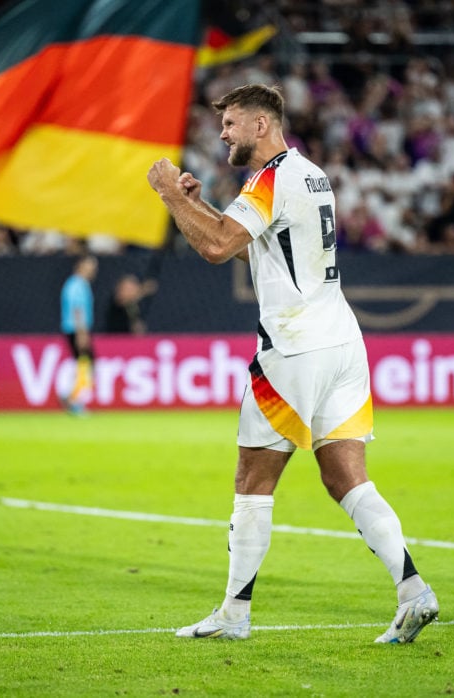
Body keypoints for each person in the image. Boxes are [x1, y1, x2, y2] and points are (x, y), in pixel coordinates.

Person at [147, 84, 438, 644]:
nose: (223, 133)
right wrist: (198, 204)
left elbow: (215, 248)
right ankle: (413, 591)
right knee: (346, 476)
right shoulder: (309, 173)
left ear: (262, 125)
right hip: (343, 344)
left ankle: (234, 616)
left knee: (253, 480)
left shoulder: (270, 180)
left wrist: (169, 196)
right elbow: (241, 238)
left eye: (231, 123)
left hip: (294, 348)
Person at [59, 254, 97, 414]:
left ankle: (71, 397)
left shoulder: (74, 284)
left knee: (83, 364)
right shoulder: (78, 285)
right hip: (77, 330)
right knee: (85, 365)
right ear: (80, 265)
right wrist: (82, 333)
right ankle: (73, 399)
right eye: (90, 266)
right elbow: (77, 310)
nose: (94, 270)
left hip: (75, 329)